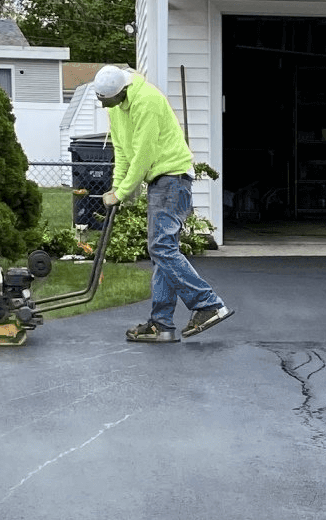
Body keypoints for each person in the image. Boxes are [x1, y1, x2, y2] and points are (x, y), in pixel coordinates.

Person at [92, 64, 233, 344]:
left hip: (173, 179)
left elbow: (143, 156)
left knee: (161, 247)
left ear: (122, 91)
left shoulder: (147, 101)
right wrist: (116, 188)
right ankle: (161, 325)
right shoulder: (116, 108)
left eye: (107, 100)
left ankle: (208, 304)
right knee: (162, 252)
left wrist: (122, 193)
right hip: (161, 182)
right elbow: (123, 152)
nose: (104, 106)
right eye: (101, 101)